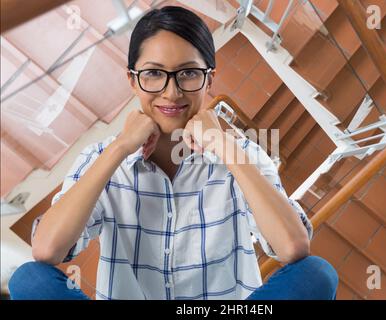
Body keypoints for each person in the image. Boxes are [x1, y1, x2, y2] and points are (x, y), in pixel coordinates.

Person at [8, 6, 337, 300]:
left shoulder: (242, 154)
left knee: (317, 274)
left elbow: (293, 248)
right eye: (153, 73)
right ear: (133, 81)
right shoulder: (102, 157)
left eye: (189, 73)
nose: (172, 92)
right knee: (30, 279)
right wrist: (120, 148)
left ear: (209, 81)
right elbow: (47, 250)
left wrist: (223, 145)